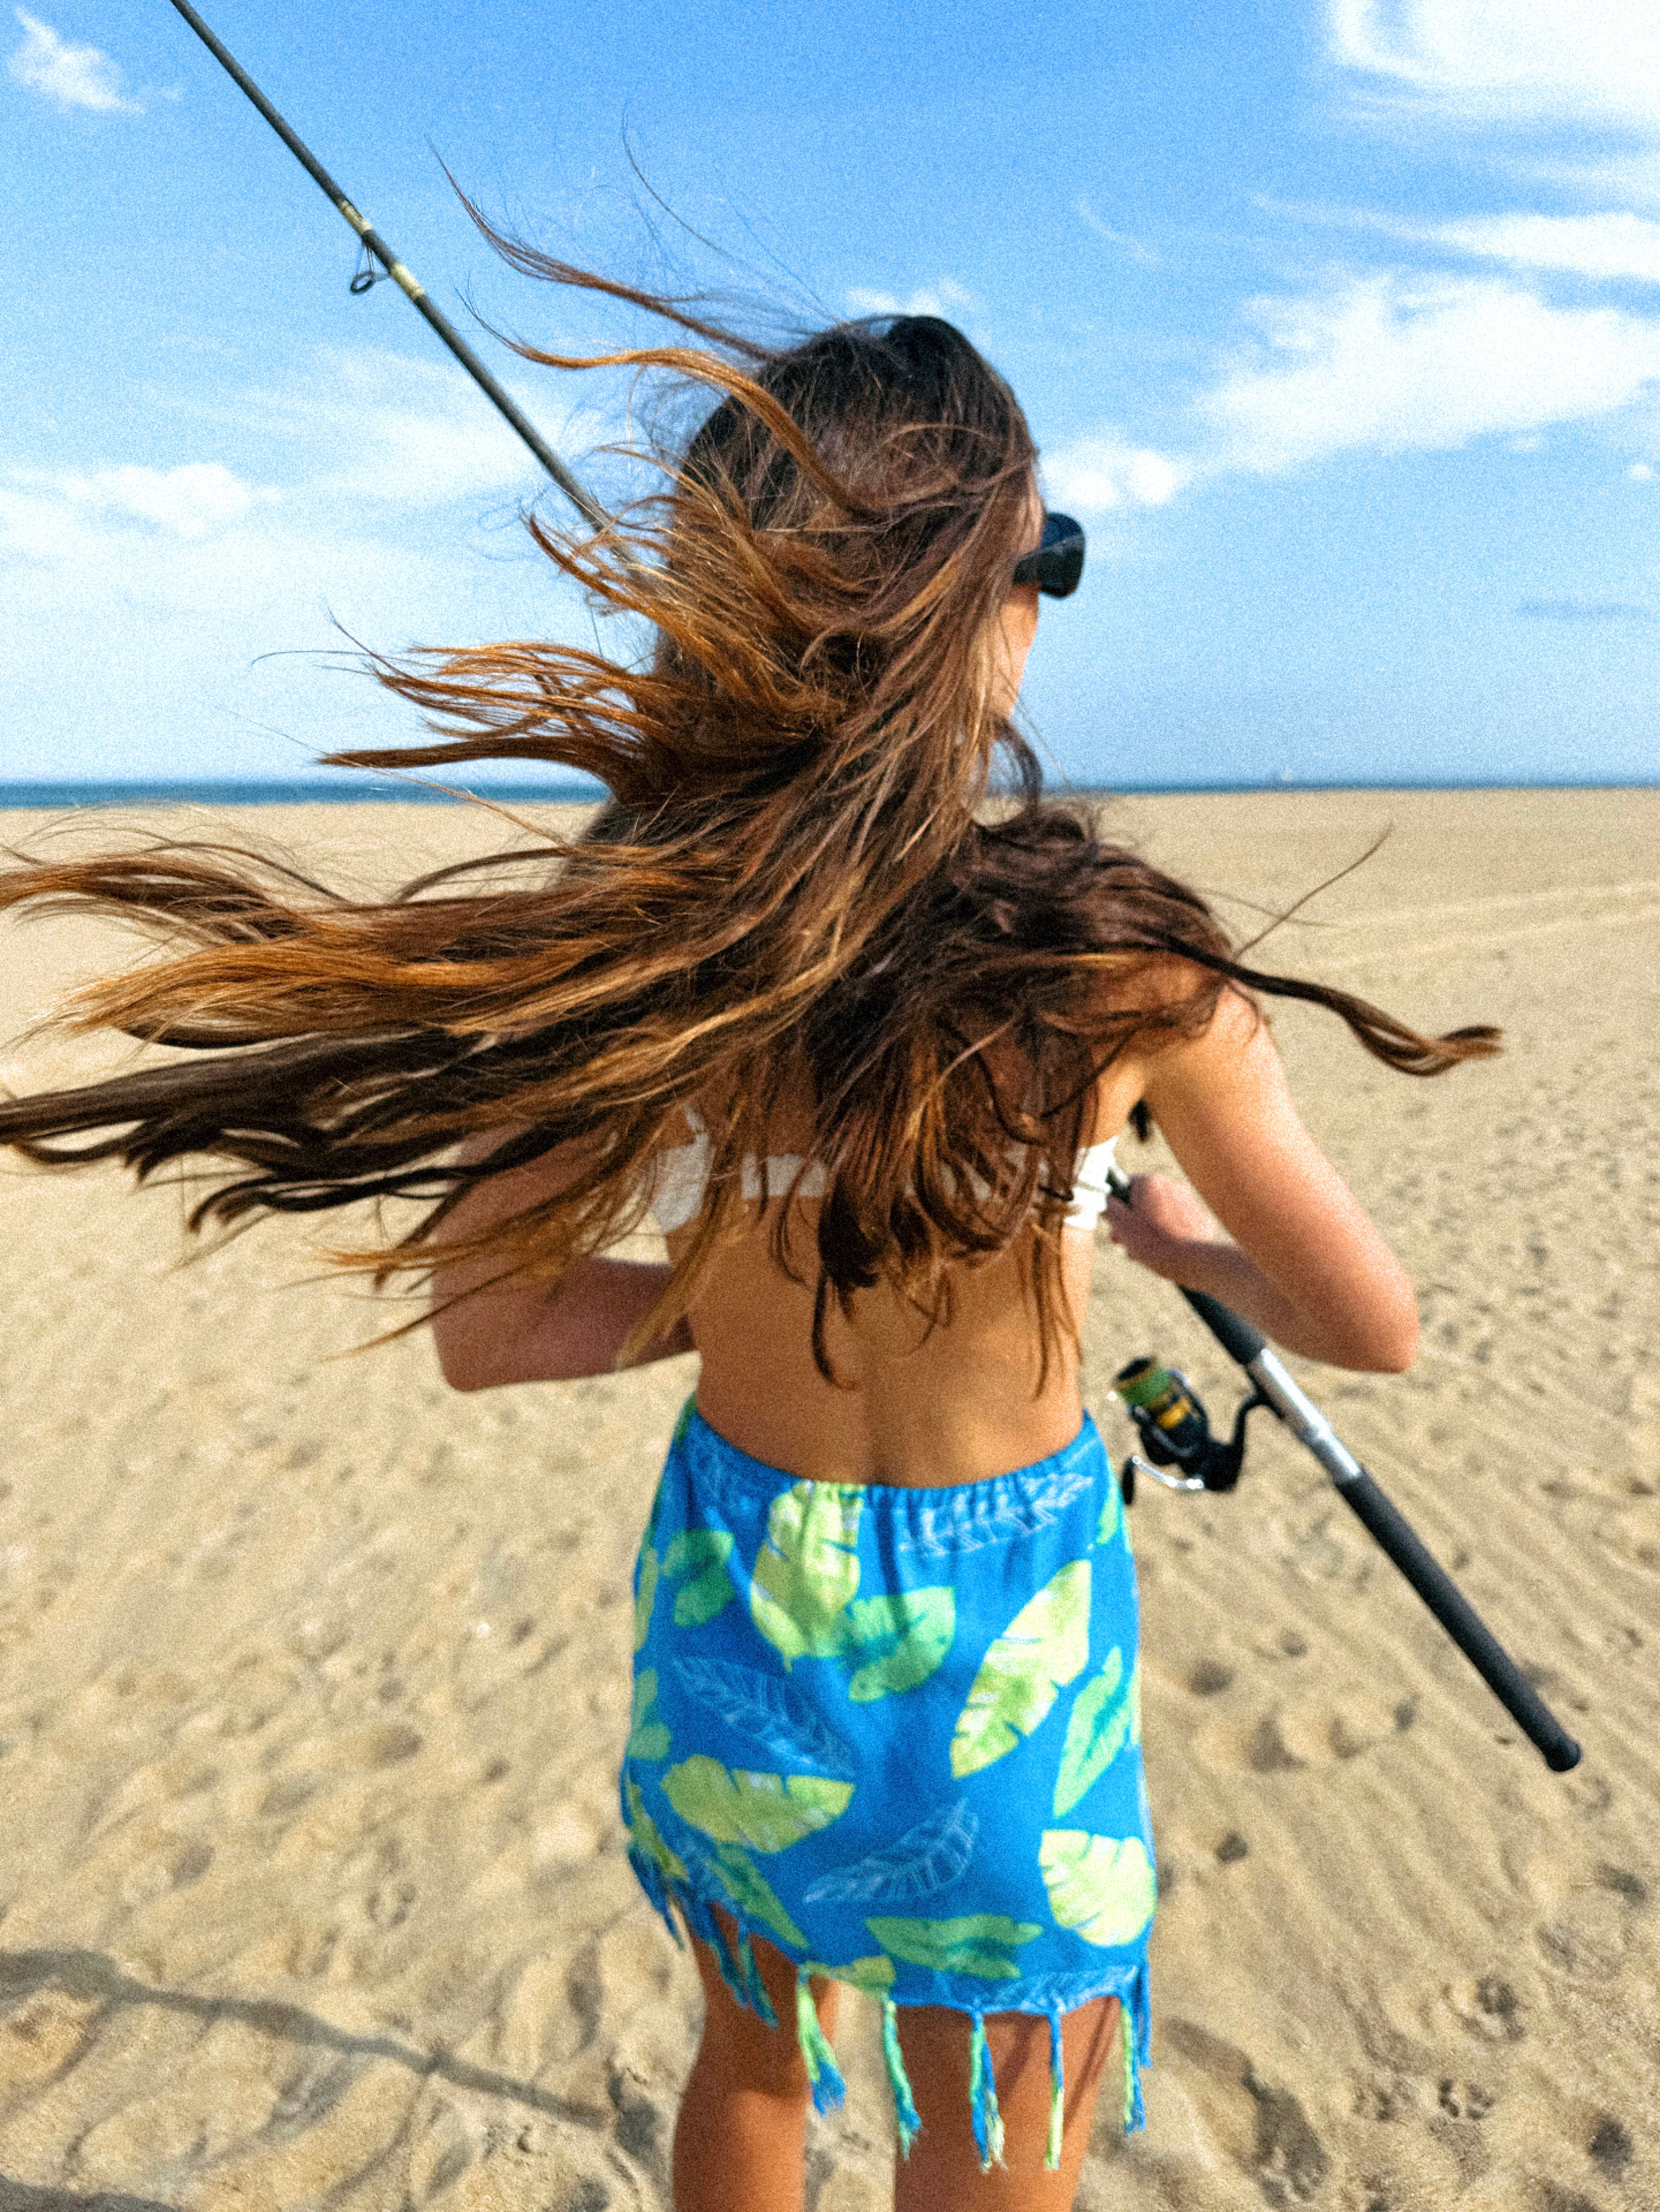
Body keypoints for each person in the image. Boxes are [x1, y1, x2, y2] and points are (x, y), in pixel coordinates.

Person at [0, 276, 1497, 2212]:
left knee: (757, 2056)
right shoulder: (1123, 964)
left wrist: (729, 1282)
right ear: (994, 608)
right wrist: (1182, 1244)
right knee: (989, 2108)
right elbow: (1368, 1325)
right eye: (1044, 556)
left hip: (742, 1594)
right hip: (1009, 1630)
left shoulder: (655, 932)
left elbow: (496, 1326)